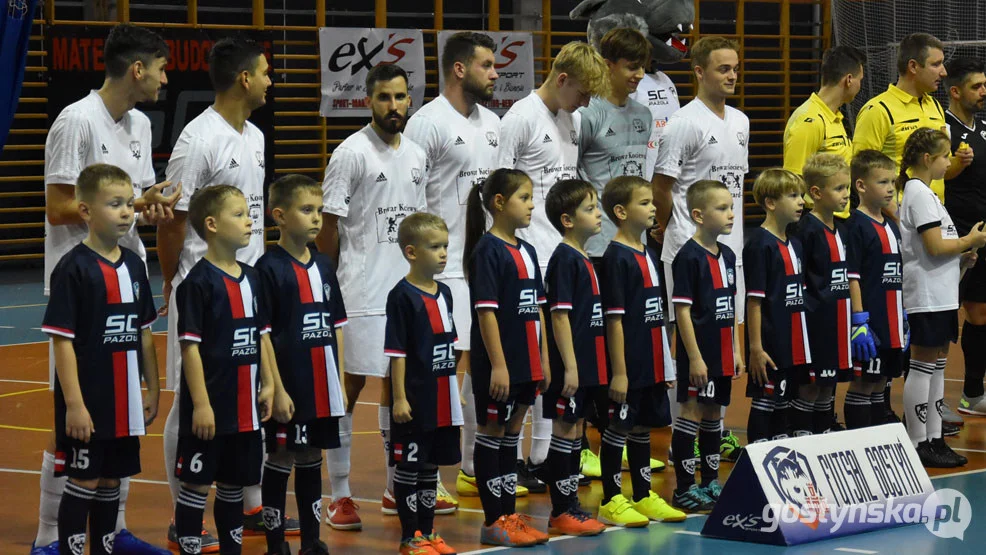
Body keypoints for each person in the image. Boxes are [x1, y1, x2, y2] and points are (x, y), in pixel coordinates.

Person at [39, 23, 178, 555]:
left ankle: (113, 532)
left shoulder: (139, 123)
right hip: (84, 284)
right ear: (137, 69)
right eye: (162, 68)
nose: (166, 79)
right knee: (74, 423)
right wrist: (136, 206)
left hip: (126, 272)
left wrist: (155, 200)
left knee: (119, 424)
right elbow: (57, 207)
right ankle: (49, 537)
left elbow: (135, 195)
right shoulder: (76, 120)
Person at [316, 63, 448, 528]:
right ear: (368, 101)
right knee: (348, 389)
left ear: (409, 100)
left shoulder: (416, 153)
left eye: (399, 97)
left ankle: (397, 487)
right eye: (383, 98)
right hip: (361, 292)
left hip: (405, 293)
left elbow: (419, 220)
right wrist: (327, 284)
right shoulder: (351, 154)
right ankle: (340, 494)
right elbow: (329, 226)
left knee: (399, 388)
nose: (393, 106)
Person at [157, 36, 275, 546]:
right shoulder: (198, 139)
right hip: (202, 287)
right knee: (191, 401)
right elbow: (172, 221)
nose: (272, 81)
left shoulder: (255, 135)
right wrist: (173, 282)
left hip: (246, 285)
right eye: (266, 72)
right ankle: (181, 511)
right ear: (244, 78)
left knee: (249, 392)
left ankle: (248, 504)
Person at [497, 41, 608, 492]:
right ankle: (494, 459)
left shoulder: (572, 118)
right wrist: (509, 255)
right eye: (581, 92)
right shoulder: (520, 119)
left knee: (560, 362)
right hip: (525, 257)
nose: (585, 103)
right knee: (524, 363)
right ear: (561, 79)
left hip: (561, 256)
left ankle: (543, 458)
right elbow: (496, 193)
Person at [402, 32, 506, 501]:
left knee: (477, 365)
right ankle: (417, 473)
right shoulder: (427, 123)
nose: (496, 73)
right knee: (441, 368)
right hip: (438, 270)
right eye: (487, 65)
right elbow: (411, 198)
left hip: (479, 263)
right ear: (460, 69)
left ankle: (469, 465)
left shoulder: (493, 124)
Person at [41, 164, 161, 555]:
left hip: (124, 399)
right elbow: (62, 343)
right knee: (85, 480)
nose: (127, 211)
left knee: (112, 480)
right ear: (86, 210)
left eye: (129, 203)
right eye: (114, 204)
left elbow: (144, 334)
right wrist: (74, 405)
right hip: (88, 402)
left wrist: (153, 389)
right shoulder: (73, 268)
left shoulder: (134, 266)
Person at [652, 36, 748, 461]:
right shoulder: (682, 124)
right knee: (689, 344)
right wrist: (664, 228)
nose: (731, 75)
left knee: (723, 339)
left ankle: (716, 433)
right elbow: (661, 186)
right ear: (699, 73)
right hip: (686, 249)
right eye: (722, 69)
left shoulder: (742, 121)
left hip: (731, 249)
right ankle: (683, 441)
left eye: (734, 67)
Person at [171, 185, 275, 555]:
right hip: (211, 409)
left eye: (249, 213)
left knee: (234, 484)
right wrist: (200, 404)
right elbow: (190, 349)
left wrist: (269, 385)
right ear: (212, 224)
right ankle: (189, 547)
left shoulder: (252, 277)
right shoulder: (197, 283)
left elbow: (261, 335)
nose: (250, 221)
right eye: (240, 214)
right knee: (197, 485)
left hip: (245, 410)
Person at [256, 175, 347, 555]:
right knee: (281, 458)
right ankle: (276, 543)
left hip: (321, 385)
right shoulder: (268, 268)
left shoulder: (325, 266)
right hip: (288, 386)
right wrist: (273, 387)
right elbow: (262, 334)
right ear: (279, 215)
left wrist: (338, 381)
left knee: (312, 457)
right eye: (306, 210)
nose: (316, 219)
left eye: (319, 211)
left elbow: (337, 326)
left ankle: (312, 541)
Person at [462, 169, 551, 547]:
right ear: (500, 203)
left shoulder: (528, 250)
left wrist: (544, 359)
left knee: (512, 436)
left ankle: (509, 514)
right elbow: (486, 313)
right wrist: (498, 364)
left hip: (527, 361)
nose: (532, 205)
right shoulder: (487, 250)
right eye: (525, 198)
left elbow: (539, 310)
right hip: (500, 362)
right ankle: (493, 519)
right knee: (493, 433)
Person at [596, 176, 684, 527]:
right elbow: (614, 320)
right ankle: (610, 498)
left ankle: (643, 495)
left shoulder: (648, 252)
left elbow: (657, 315)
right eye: (645, 203)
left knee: (644, 428)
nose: (653, 207)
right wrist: (618, 371)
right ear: (621, 211)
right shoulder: (616, 257)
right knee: (618, 427)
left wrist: (664, 364)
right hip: (628, 365)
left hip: (650, 362)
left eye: (653, 201)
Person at [897, 128, 986, 467]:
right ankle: (918, 441)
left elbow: (938, 250)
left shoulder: (930, 194)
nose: (950, 162)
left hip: (941, 293)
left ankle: (934, 437)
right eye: (945, 156)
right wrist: (968, 241)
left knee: (935, 367)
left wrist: (963, 257)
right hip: (926, 296)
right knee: (922, 366)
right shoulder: (918, 193)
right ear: (926, 159)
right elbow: (934, 246)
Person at [384, 213, 462, 555]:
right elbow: (397, 353)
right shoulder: (401, 296)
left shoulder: (445, 292)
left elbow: (450, 344)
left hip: (442, 398)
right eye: (435, 247)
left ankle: (429, 532)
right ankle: (409, 536)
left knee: (432, 466)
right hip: (415, 399)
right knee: (410, 466)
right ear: (412, 252)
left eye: (445, 246)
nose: (443, 253)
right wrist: (399, 398)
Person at [540, 179, 608, 536]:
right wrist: (569, 366)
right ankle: (561, 509)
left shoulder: (584, 257)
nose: (598, 214)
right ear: (567, 219)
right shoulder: (564, 259)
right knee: (564, 433)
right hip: (573, 368)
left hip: (587, 366)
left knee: (576, 432)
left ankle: (571, 507)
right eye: (590, 208)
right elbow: (559, 316)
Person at [670, 179, 742, 513]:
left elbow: (731, 305)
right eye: (722, 208)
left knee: (714, 414)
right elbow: (682, 311)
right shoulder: (688, 257)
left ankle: (710, 481)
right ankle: (684, 488)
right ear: (698, 215)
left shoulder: (727, 255)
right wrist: (695, 357)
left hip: (723, 351)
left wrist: (737, 348)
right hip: (698, 354)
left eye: (731, 207)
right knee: (692, 413)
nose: (731, 214)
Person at [744, 169, 810, 444]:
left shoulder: (794, 242)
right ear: (771, 203)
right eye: (793, 196)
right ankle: (755, 460)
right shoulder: (760, 244)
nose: (801, 202)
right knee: (765, 402)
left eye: (801, 195)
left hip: (793, 342)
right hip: (770, 343)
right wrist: (756, 348)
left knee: (784, 403)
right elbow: (754, 301)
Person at [842, 150, 906, 429]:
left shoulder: (892, 225)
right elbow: (852, 276)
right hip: (871, 323)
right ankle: (858, 443)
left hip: (892, 323)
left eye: (892, 182)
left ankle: (876, 443)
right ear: (860, 186)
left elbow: (897, 273)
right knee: (863, 384)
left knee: (881, 383)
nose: (890, 188)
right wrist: (859, 320)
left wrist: (903, 314)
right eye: (882, 182)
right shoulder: (855, 226)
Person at [791, 154, 854, 439]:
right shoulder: (806, 230)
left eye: (847, 188)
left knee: (830, 381)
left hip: (837, 319)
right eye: (839, 189)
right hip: (815, 321)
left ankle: (823, 431)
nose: (845, 195)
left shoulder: (840, 228)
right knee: (812, 383)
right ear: (816, 193)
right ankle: (803, 435)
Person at [577, 28, 652, 258]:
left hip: (638, 242)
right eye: (631, 67)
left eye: (642, 67)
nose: (639, 74)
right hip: (599, 246)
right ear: (608, 65)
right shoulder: (586, 114)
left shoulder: (644, 115)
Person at [854, 33, 952, 204]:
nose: (943, 72)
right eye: (936, 64)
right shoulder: (878, 110)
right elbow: (860, 171)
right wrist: (897, 216)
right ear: (913, 66)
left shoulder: (935, 106)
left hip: (935, 213)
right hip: (899, 216)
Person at [941, 57, 986, 416]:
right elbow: (932, 176)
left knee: (981, 313)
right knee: (943, 317)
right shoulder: (942, 127)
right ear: (956, 91)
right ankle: (929, 403)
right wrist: (956, 165)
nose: (984, 91)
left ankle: (972, 393)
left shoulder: (984, 125)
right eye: (976, 86)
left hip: (982, 235)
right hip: (952, 236)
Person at [783, 46, 866, 219]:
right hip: (815, 221)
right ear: (849, 80)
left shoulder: (834, 117)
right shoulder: (809, 120)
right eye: (860, 80)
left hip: (837, 219)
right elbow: (793, 181)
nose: (860, 86)